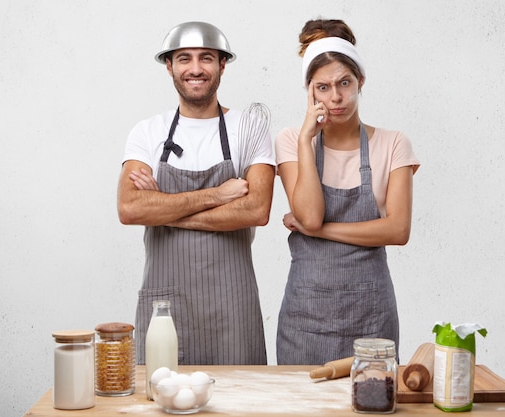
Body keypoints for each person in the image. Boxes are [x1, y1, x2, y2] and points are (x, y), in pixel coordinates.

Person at [117, 21, 275, 365]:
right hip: (166, 306)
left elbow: (257, 211)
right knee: (162, 397)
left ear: (222, 65)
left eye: (206, 58)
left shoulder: (249, 128)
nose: (195, 68)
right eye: (184, 58)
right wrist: (218, 195)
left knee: (241, 403)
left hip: (233, 306)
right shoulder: (147, 132)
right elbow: (130, 208)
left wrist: (164, 209)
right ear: (169, 66)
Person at [274, 19, 420, 365]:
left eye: (344, 83)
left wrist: (320, 231)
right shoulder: (291, 141)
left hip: (371, 316)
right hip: (305, 319)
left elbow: (397, 230)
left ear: (361, 82)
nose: (335, 97)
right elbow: (309, 213)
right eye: (322, 87)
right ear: (309, 90)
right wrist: (306, 141)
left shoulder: (393, 143)